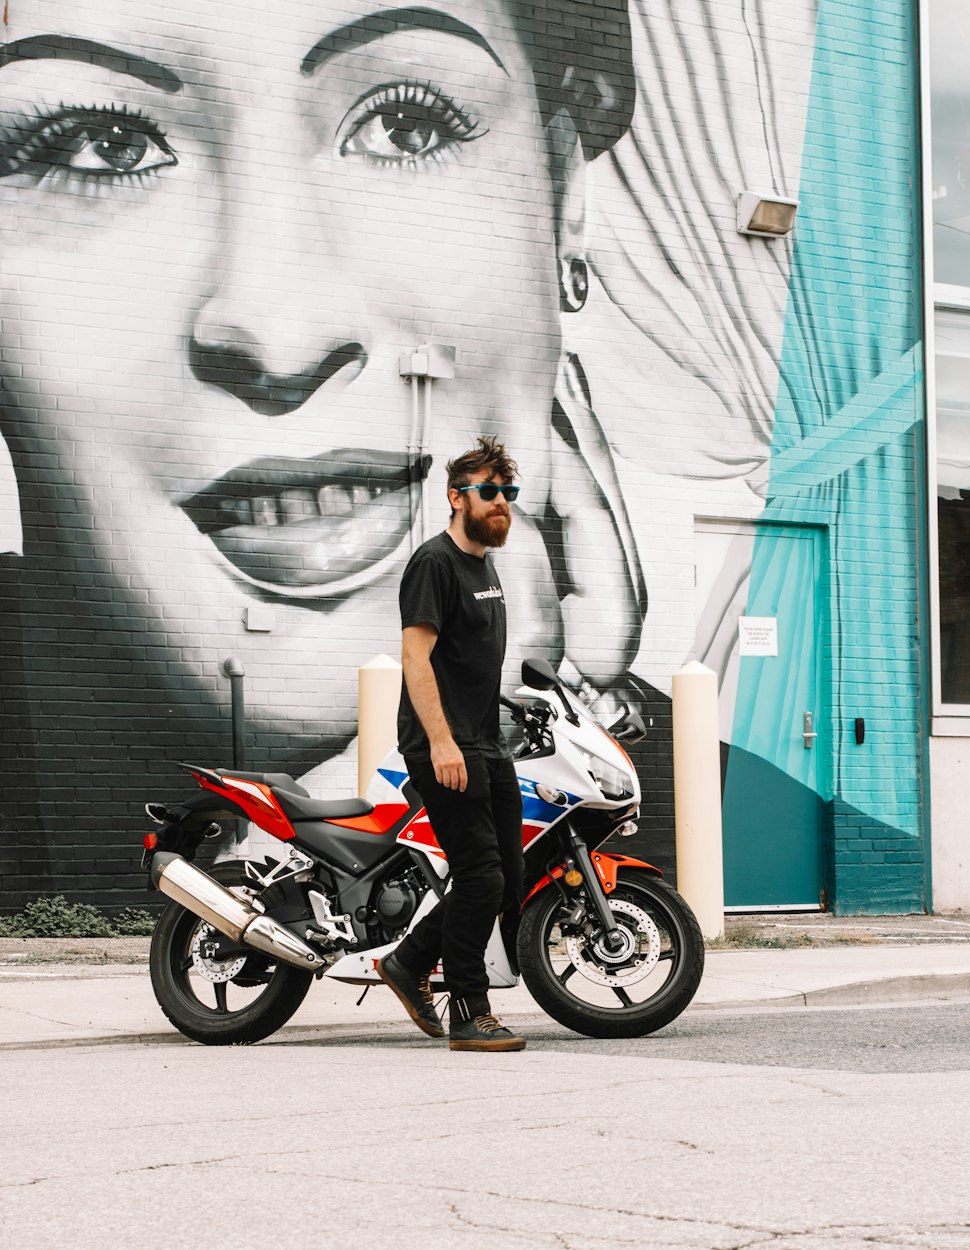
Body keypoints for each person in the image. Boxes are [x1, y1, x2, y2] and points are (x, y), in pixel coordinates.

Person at [0, 0, 646, 905]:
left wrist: (559, 701)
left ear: (563, 201)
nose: (280, 335)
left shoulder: (692, 779)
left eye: (405, 124)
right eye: (101, 144)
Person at [379, 435, 526, 1052]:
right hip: (444, 745)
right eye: (487, 492)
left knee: (510, 875)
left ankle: (409, 961)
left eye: (507, 493)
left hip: (484, 743)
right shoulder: (433, 563)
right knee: (479, 875)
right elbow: (417, 659)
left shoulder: (484, 565)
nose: (500, 503)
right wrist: (441, 743)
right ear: (455, 498)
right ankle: (469, 1009)